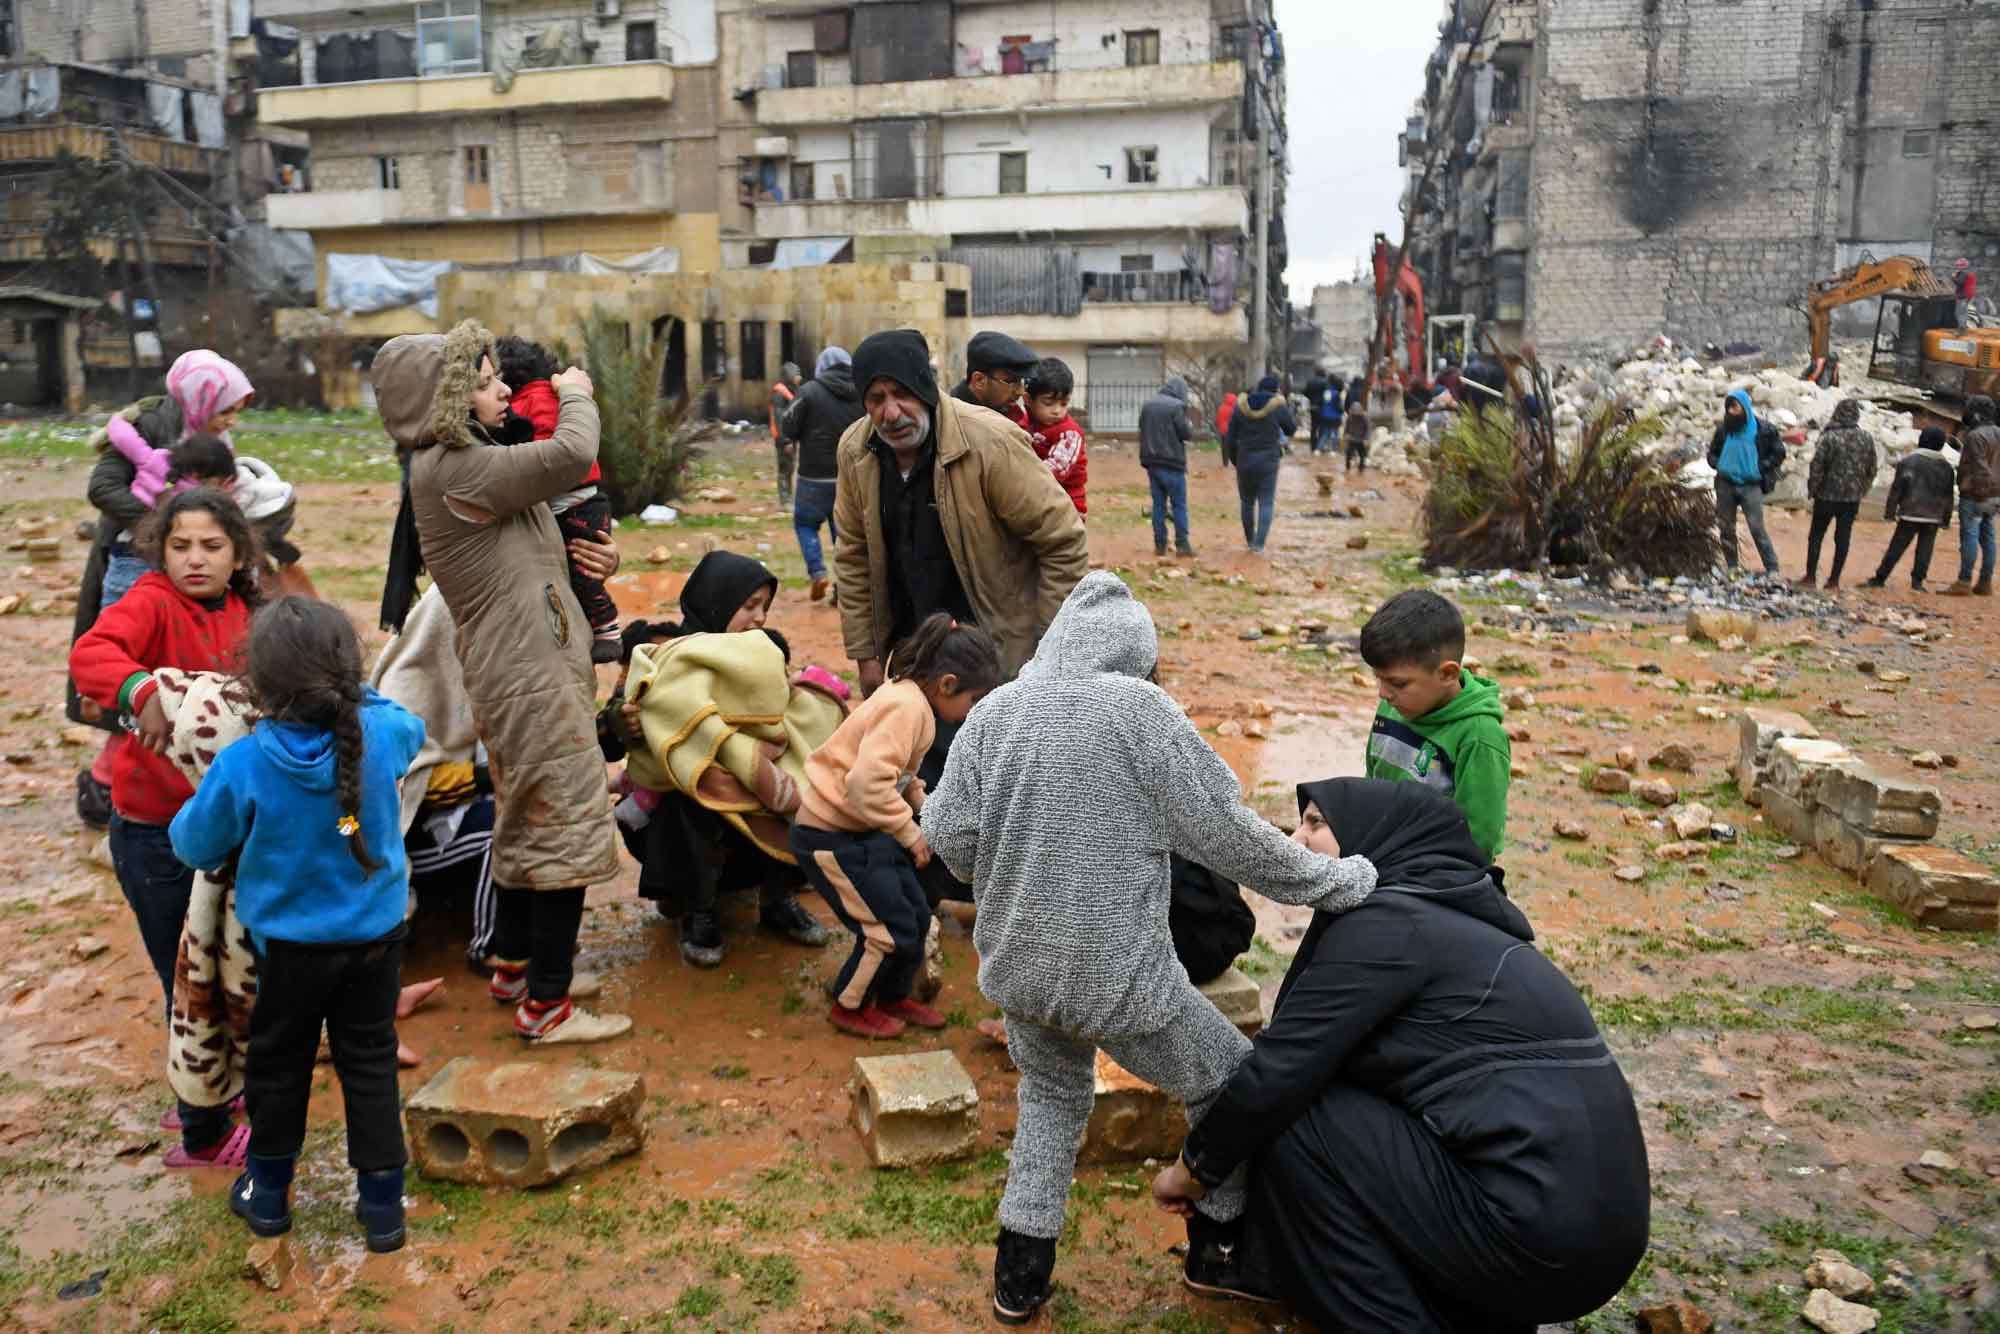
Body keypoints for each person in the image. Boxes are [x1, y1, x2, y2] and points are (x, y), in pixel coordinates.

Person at [921, 573, 1379, 1326]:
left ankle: (1020, 1272)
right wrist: (1335, 882)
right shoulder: (1139, 711)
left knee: (1051, 1099)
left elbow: (949, 843)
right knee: (1229, 1081)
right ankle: (1220, 1244)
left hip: (1018, 970)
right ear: (1135, 653)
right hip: (1119, 979)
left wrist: (1024, 840)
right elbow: (1231, 838)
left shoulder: (996, 711)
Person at [1154, 779, 1650, 1330]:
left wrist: (1191, 1171)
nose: (1295, 838)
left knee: (1296, 1115)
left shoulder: (1391, 926)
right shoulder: (1455, 923)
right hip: (1597, 1234)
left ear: (1376, 839)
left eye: (1316, 823)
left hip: (1536, 1229)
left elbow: (1278, 1073)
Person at [371, 319, 630, 1045]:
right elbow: (573, 453)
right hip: (529, 675)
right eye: (483, 381)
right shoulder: (456, 468)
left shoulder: (466, 462)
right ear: (449, 400)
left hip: (527, 666)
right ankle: (546, 1008)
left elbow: (542, 541)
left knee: (529, 815)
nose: (503, 388)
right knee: (566, 823)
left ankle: (516, 966)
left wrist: (593, 569)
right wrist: (576, 393)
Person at [168, 598, 425, 1254]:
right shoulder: (383, 734)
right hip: (377, 936)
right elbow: (411, 725)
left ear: (256, 683)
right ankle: (382, 1207)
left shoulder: (244, 763)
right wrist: (353, 692)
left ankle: (269, 1196)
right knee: (369, 1062)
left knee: (277, 1068)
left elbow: (194, 846)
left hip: (287, 950)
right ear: (346, 673)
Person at [68, 488, 262, 1168]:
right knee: (183, 978)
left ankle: (217, 1088)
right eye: (180, 546)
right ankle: (200, 1130)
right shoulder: (150, 600)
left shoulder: (249, 610)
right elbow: (92, 654)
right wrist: (138, 690)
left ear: (239, 553)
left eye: (212, 546)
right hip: (153, 829)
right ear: (160, 551)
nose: (195, 559)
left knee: (225, 965)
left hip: (229, 833)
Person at [600, 550, 832, 966]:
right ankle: (698, 912)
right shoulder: (668, 658)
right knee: (691, 794)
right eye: (748, 606)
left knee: (793, 782)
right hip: (675, 823)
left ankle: (777, 899)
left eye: (764, 606)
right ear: (717, 601)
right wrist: (621, 721)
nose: (760, 617)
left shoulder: (761, 658)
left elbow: (786, 721)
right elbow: (611, 744)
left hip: (747, 799)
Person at [831, 328, 1087, 693]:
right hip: (913, 660)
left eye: (902, 393)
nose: (890, 412)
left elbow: (1063, 540)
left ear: (923, 387)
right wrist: (867, 656)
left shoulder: (989, 442)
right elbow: (854, 556)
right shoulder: (856, 451)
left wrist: (1044, 652)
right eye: (876, 399)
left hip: (994, 661)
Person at [68, 350, 263, 828]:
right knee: (141, 676)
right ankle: (107, 787)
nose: (231, 418)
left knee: (184, 680)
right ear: (201, 398)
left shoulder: (210, 437)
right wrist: (169, 527)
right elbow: (104, 487)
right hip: (135, 561)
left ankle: (146, 787)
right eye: (226, 408)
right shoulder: (152, 428)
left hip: (177, 564)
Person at [794, 614, 1001, 1038]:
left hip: (862, 829)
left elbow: (897, 775)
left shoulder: (914, 701)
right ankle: (848, 1005)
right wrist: (912, 833)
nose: (972, 712)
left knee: (915, 916)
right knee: (883, 929)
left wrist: (923, 804)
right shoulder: (905, 708)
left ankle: (891, 995)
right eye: (974, 701)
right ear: (946, 684)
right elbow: (865, 787)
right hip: (829, 835)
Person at [370, 584, 502, 972]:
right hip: (412, 833)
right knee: (511, 822)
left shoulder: (491, 662)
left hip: (460, 814)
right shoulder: (410, 681)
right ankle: (493, 947)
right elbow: (406, 784)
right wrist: (489, 777)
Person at [495, 335, 622, 662]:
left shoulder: (526, 406)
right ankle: (603, 625)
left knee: (582, 567)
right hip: (521, 639)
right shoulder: (552, 399)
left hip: (574, 504)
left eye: (491, 380)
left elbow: (561, 453)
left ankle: (605, 625)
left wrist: (611, 560)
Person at [1359, 590, 1510, 861]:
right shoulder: (1393, 705)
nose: (1383, 693)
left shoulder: (1479, 737)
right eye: (1378, 678)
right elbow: (1373, 779)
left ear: (1447, 674)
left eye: (1397, 683)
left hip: (1431, 875)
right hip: (1382, 857)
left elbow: (1480, 840)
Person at [782, 346, 863, 604]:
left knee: (805, 524)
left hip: (813, 476)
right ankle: (844, 587)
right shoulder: (861, 392)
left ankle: (818, 572)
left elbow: (789, 425)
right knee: (844, 534)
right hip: (849, 476)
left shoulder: (809, 391)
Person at [1799, 398, 1879, 591]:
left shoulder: (1829, 437)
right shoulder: (1866, 438)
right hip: (1851, 500)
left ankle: (1810, 577)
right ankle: (1834, 580)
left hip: (1826, 496)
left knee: (1816, 535)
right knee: (1843, 538)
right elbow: (1872, 468)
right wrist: (1862, 490)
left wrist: (1813, 489)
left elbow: (1817, 466)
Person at [1706, 388, 1786, 577]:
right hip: (1725, 484)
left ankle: (1772, 568)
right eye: (1729, 408)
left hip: (1751, 486)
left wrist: (1760, 467)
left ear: (1745, 407)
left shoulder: (1764, 430)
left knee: (1757, 528)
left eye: (1735, 407)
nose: (1731, 412)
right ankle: (1732, 565)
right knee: (1726, 527)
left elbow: (1779, 453)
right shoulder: (1724, 430)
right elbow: (1712, 452)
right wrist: (1718, 465)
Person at [1865, 428, 1956, 591]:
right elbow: (1948, 496)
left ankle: (1880, 578)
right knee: (1925, 549)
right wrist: (1946, 519)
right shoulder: (1947, 467)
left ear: (1922, 440)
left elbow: (1897, 490)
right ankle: (1917, 583)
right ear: (1941, 445)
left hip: (1910, 513)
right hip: (1933, 516)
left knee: (1897, 547)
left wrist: (1890, 513)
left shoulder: (1908, 462)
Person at [1222, 374, 1294, 555]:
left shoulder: (1240, 407)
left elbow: (1230, 438)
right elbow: (1291, 429)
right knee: (1266, 503)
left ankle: (1249, 540)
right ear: (1275, 390)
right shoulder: (1278, 406)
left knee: (1246, 502)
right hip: (1268, 461)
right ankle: (1259, 545)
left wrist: (1235, 459)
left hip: (1245, 459)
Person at [1947, 394, 1999, 596]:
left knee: (1969, 536)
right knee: (1988, 538)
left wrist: (1977, 492)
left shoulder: (1975, 437)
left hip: (1976, 494)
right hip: (1995, 495)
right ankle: (1985, 583)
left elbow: (1979, 467)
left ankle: (1964, 581)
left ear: (1976, 414)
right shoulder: (1998, 432)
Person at [1139, 377, 1196, 558]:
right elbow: (1185, 433)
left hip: (1152, 462)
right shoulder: (1177, 406)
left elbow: (1142, 428)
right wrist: (1190, 426)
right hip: (1172, 463)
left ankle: (1160, 544)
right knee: (1178, 505)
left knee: (1158, 505)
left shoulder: (1148, 405)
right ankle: (1182, 545)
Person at [1022, 357, 1086, 517]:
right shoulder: (1025, 422)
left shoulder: (1070, 433)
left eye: (1063, 404)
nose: (1057, 410)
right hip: (1039, 500)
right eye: (1049, 403)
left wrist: (1018, 476)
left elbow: (1055, 471)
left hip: (1067, 506)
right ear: (1028, 400)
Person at [949, 331, 1037, 428]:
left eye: (1021, 381)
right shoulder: (951, 420)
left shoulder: (1011, 413)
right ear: (979, 380)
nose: (1020, 391)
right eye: (1011, 382)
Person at [769, 360, 803, 505]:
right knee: (784, 468)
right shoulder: (779, 393)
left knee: (790, 467)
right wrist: (786, 441)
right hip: (783, 438)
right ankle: (784, 499)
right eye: (796, 375)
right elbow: (779, 419)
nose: (798, 378)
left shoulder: (790, 391)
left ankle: (788, 496)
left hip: (790, 437)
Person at [1314, 372, 1345, 455]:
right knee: (1335, 433)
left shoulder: (1326, 392)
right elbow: (1338, 406)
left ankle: (1318, 449)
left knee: (1325, 433)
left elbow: (1324, 403)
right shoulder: (1337, 394)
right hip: (1335, 417)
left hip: (1325, 415)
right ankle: (1333, 450)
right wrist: (1342, 411)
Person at [1342, 401, 1373, 473]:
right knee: (1348, 453)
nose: (1356, 414)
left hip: (1361, 439)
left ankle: (1361, 469)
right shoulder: (1350, 417)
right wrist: (1345, 435)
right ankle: (1347, 467)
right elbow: (1346, 427)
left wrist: (1366, 438)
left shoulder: (1365, 417)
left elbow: (1368, 429)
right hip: (1352, 438)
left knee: (1362, 455)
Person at [1956, 258, 1978, 329]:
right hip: (1968, 295)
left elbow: (1960, 282)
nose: (1957, 267)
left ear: (1963, 266)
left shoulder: (1964, 273)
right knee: (1964, 312)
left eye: (1959, 265)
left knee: (1959, 313)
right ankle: (1964, 326)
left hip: (1963, 296)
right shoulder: (1970, 273)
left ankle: (1961, 329)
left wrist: (1953, 277)